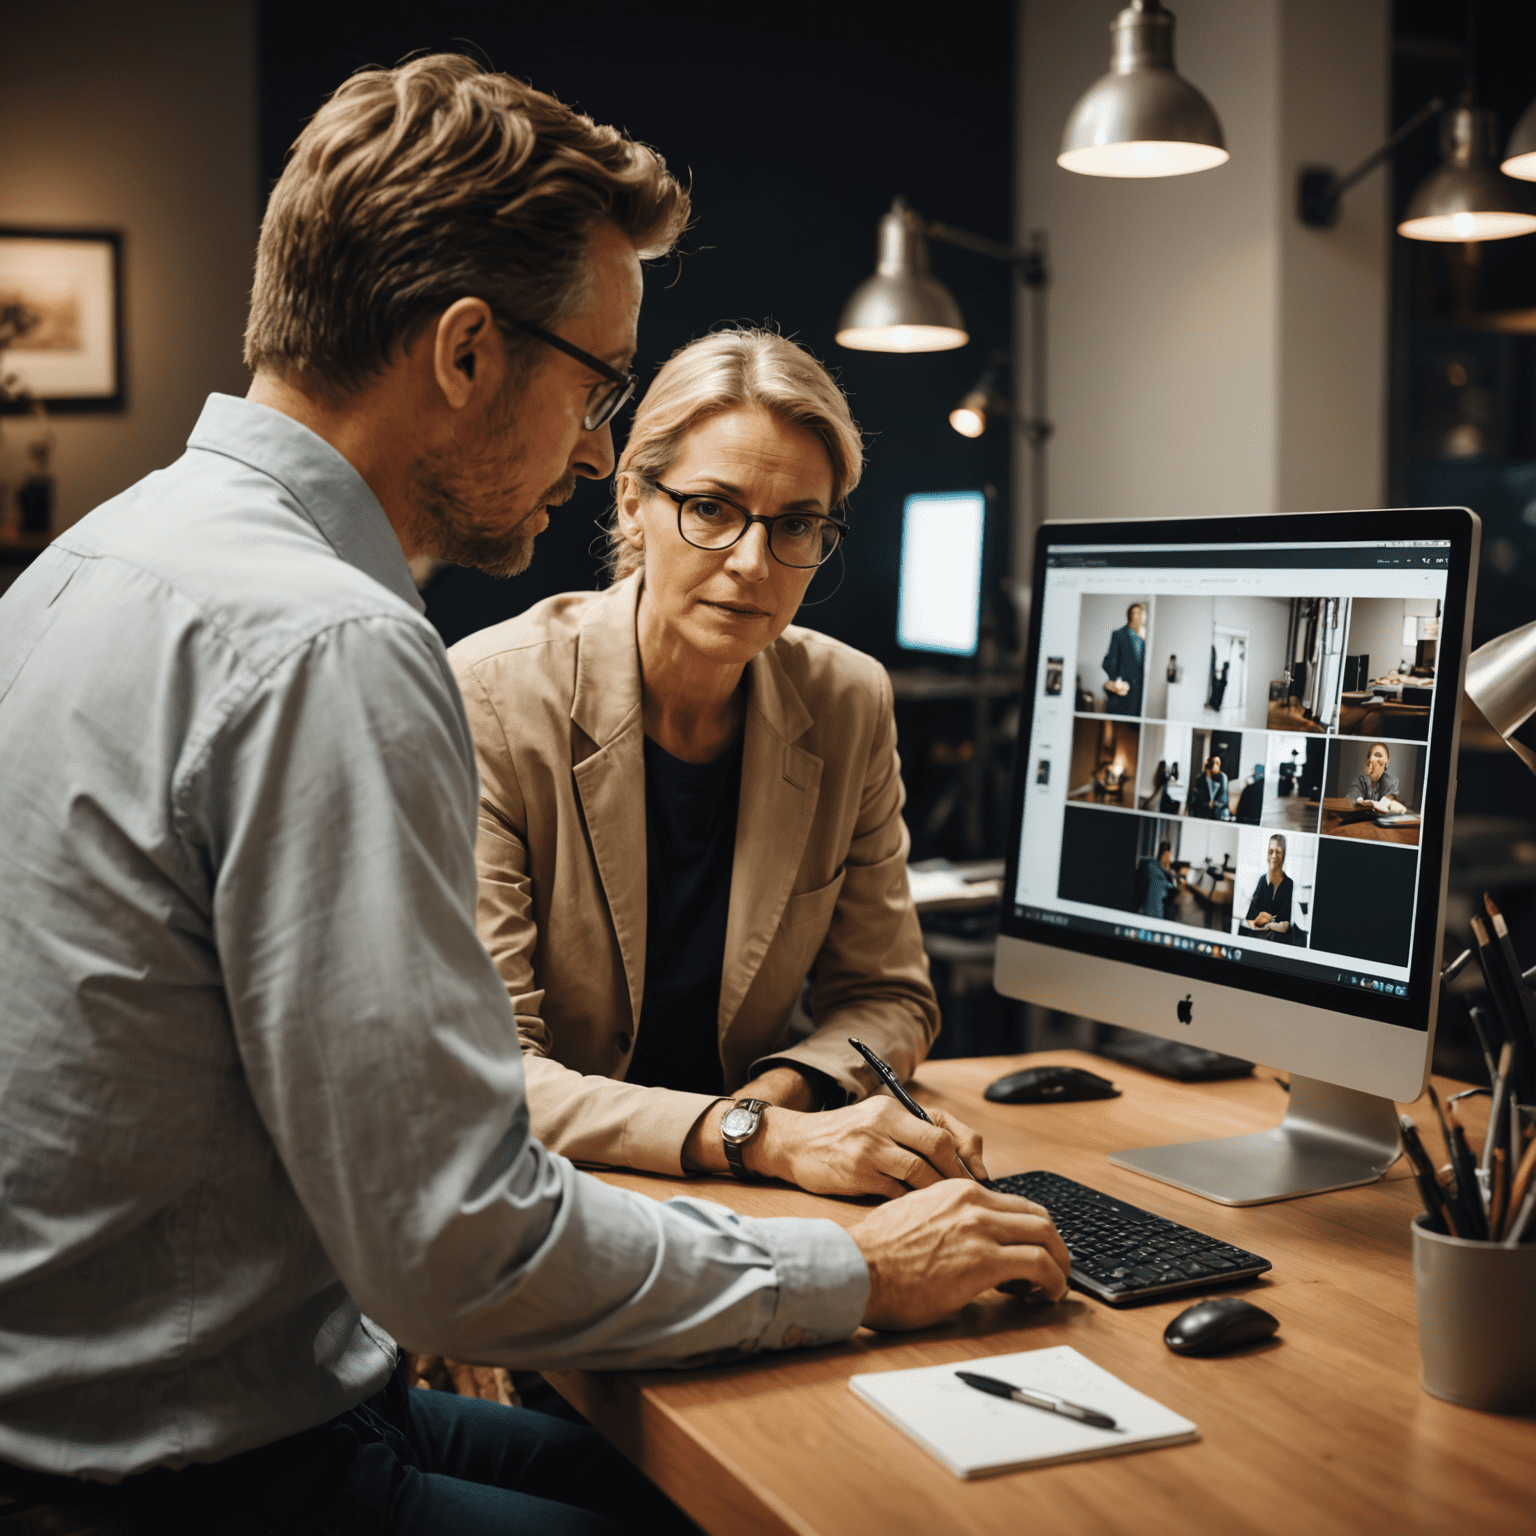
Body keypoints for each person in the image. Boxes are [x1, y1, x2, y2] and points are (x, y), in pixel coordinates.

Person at [0, 56, 1071, 1534]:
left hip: (210, 1392)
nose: (589, 448)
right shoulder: (336, 644)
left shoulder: (96, 559)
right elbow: (455, 1245)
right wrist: (859, 1272)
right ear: (462, 352)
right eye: (597, 385)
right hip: (189, 1475)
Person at [450, 329, 981, 1194]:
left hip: (762, 1184)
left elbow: (890, 998)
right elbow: (488, 1069)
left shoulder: (848, 701)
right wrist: (752, 1134)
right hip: (554, 1190)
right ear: (631, 503)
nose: (751, 563)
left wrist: (785, 1092)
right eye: (711, 508)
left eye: (797, 526)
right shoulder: (492, 700)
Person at [1244, 835, 1294, 939]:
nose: (1274, 856)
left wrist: (1268, 925)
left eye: (1278, 851)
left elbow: (1285, 925)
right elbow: (1251, 916)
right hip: (1257, 936)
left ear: (1284, 856)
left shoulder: (1289, 884)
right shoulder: (1262, 880)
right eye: (1270, 851)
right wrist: (1257, 930)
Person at [1102, 600, 1147, 715]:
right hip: (1122, 692)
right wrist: (1116, 680)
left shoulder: (1145, 639)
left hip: (1140, 696)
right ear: (1129, 615)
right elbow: (1109, 662)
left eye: (1140, 613)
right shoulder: (1119, 635)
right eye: (1134, 613)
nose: (1137, 616)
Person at [1350, 741, 1406, 814]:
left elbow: (1387, 805)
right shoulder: (1359, 781)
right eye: (1370, 756)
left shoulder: (1392, 781)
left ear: (1387, 760)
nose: (1372, 759)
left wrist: (1371, 804)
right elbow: (1351, 801)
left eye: (1378, 755)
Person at [1138, 841, 1185, 919]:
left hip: (1160, 906)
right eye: (1165, 855)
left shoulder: (1162, 869)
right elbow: (1163, 883)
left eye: (1168, 856)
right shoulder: (1152, 866)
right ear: (1161, 854)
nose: (1167, 858)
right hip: (1153, 908)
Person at [1187, 755, 1230, 819]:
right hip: (1202, 815)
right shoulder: (1200, 779)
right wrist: (1207, 804)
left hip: (1218, 815)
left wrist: (1214, 804)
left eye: (1217, 764)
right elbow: (1196, 801)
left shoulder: (1223, 778)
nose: (1215, 766)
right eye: (1213, 763)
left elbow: (1224, 799)